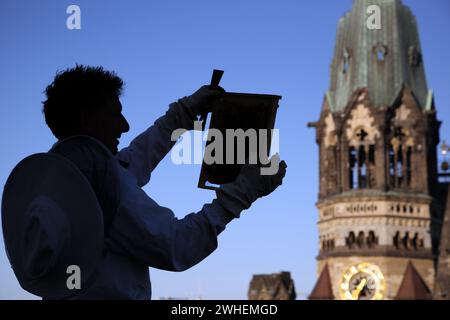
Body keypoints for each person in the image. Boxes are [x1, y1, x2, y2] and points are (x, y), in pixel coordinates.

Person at [40, 65, 287, 299]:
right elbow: (177, 246)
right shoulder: (98, 182)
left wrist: (184, 113)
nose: (124, 126)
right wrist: (242, 192)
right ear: (86, 119)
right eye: (115, 114)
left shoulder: (63, 175)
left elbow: (133, 160)